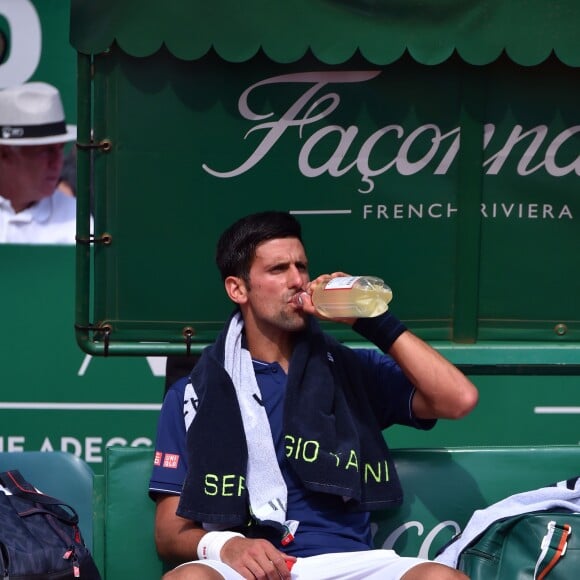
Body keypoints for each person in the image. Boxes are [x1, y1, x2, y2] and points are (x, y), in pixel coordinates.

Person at [149, 211, 479, 580]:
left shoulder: (350, 368)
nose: (297, 280)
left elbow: (458, 399)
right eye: (278, 270)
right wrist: (227, 545)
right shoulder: (194, 392)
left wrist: (370, 319)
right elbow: (168, 533)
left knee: (440, 578)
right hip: (252, 565)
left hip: (348, 562)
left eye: (301, 266)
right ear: (237, 289)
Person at [0, 82, 78, 244]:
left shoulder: (73, 217)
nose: (57, 162)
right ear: (4, 153)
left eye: (60, 149)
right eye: (46, 151)